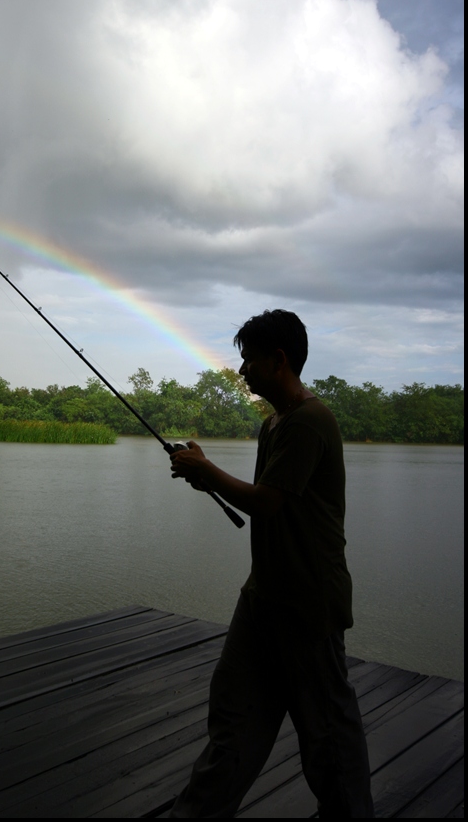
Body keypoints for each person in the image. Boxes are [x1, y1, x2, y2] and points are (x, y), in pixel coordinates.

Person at [168, 309, 374, 818]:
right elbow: (266, 497)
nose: (242, 372)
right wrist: (205, 476)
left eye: (249, 361)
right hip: (264, 595)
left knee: (328, 736)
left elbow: (266, 503)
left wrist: (209, 471)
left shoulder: (309, 421)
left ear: (278, 360)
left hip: (309, 602)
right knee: (233, 719)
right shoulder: (275, 424)